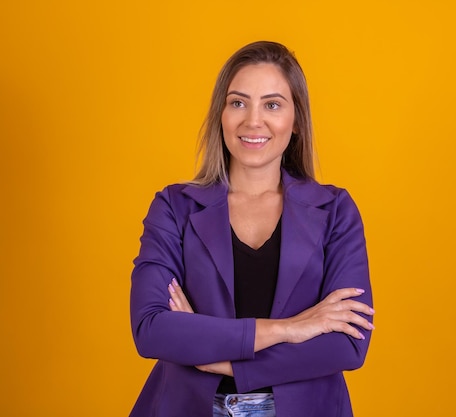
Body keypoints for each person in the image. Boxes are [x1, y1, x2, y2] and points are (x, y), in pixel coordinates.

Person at [129, 41, 374, 417]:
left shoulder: (335, 210)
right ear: (221, 115)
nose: (252, 121)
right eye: (238, 102)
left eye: (272, 104)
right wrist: (289, 329)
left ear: (296, 122)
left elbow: (347, 344)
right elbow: (151, 329)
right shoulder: (174, 207)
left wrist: (225, 359)